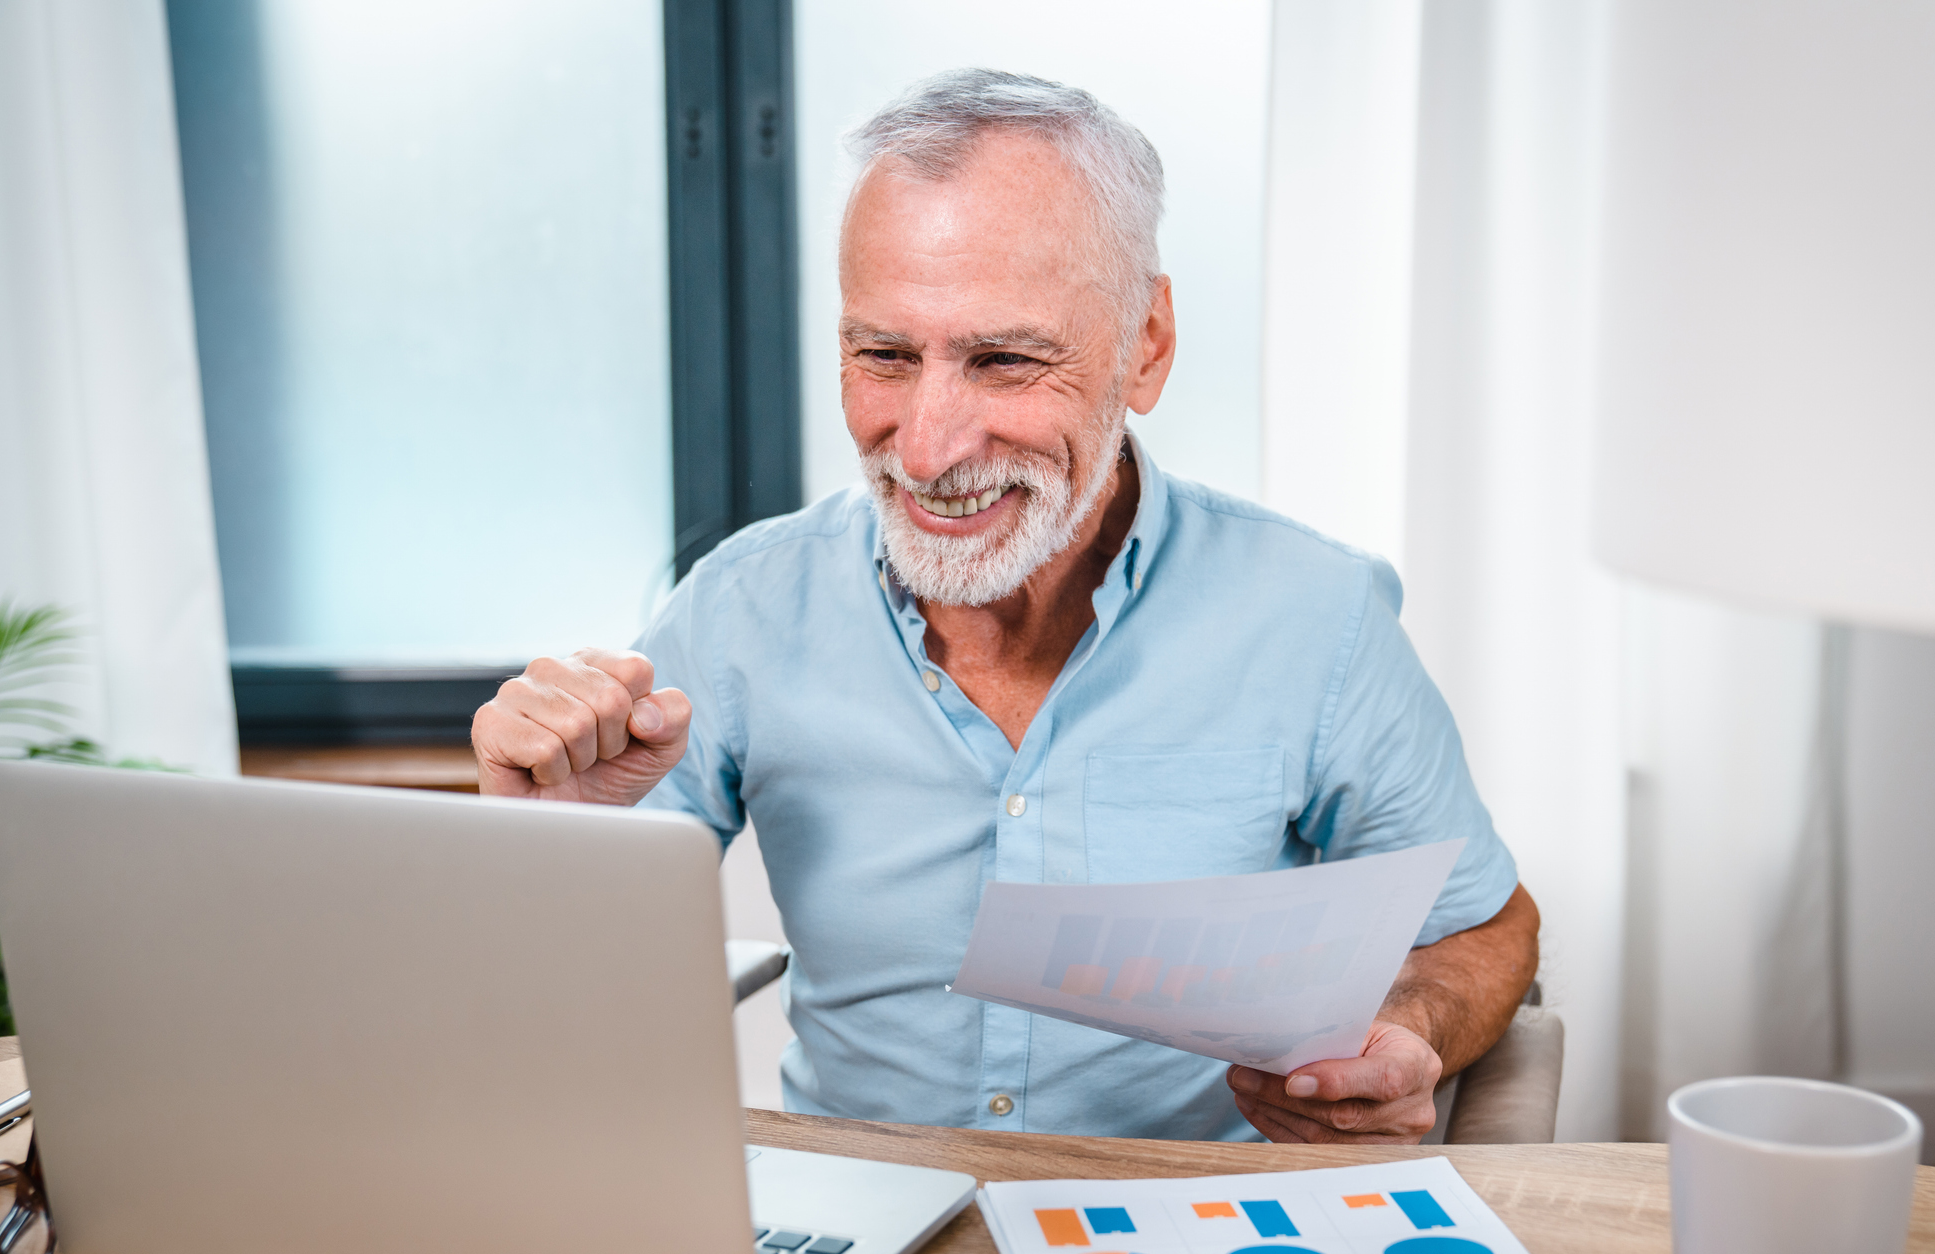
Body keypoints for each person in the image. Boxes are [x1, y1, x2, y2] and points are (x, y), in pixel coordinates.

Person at [471, 69, 1538, 1144]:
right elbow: (550, 1009)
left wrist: (1407, 1028)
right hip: (860, 1229)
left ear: (1145, 346)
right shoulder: (745, 609)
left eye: (1004, 361)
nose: (928, 448)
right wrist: (553, 845)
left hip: (1184, 1236)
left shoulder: (1315, 615)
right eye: (883, 355)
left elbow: (1482, 928)